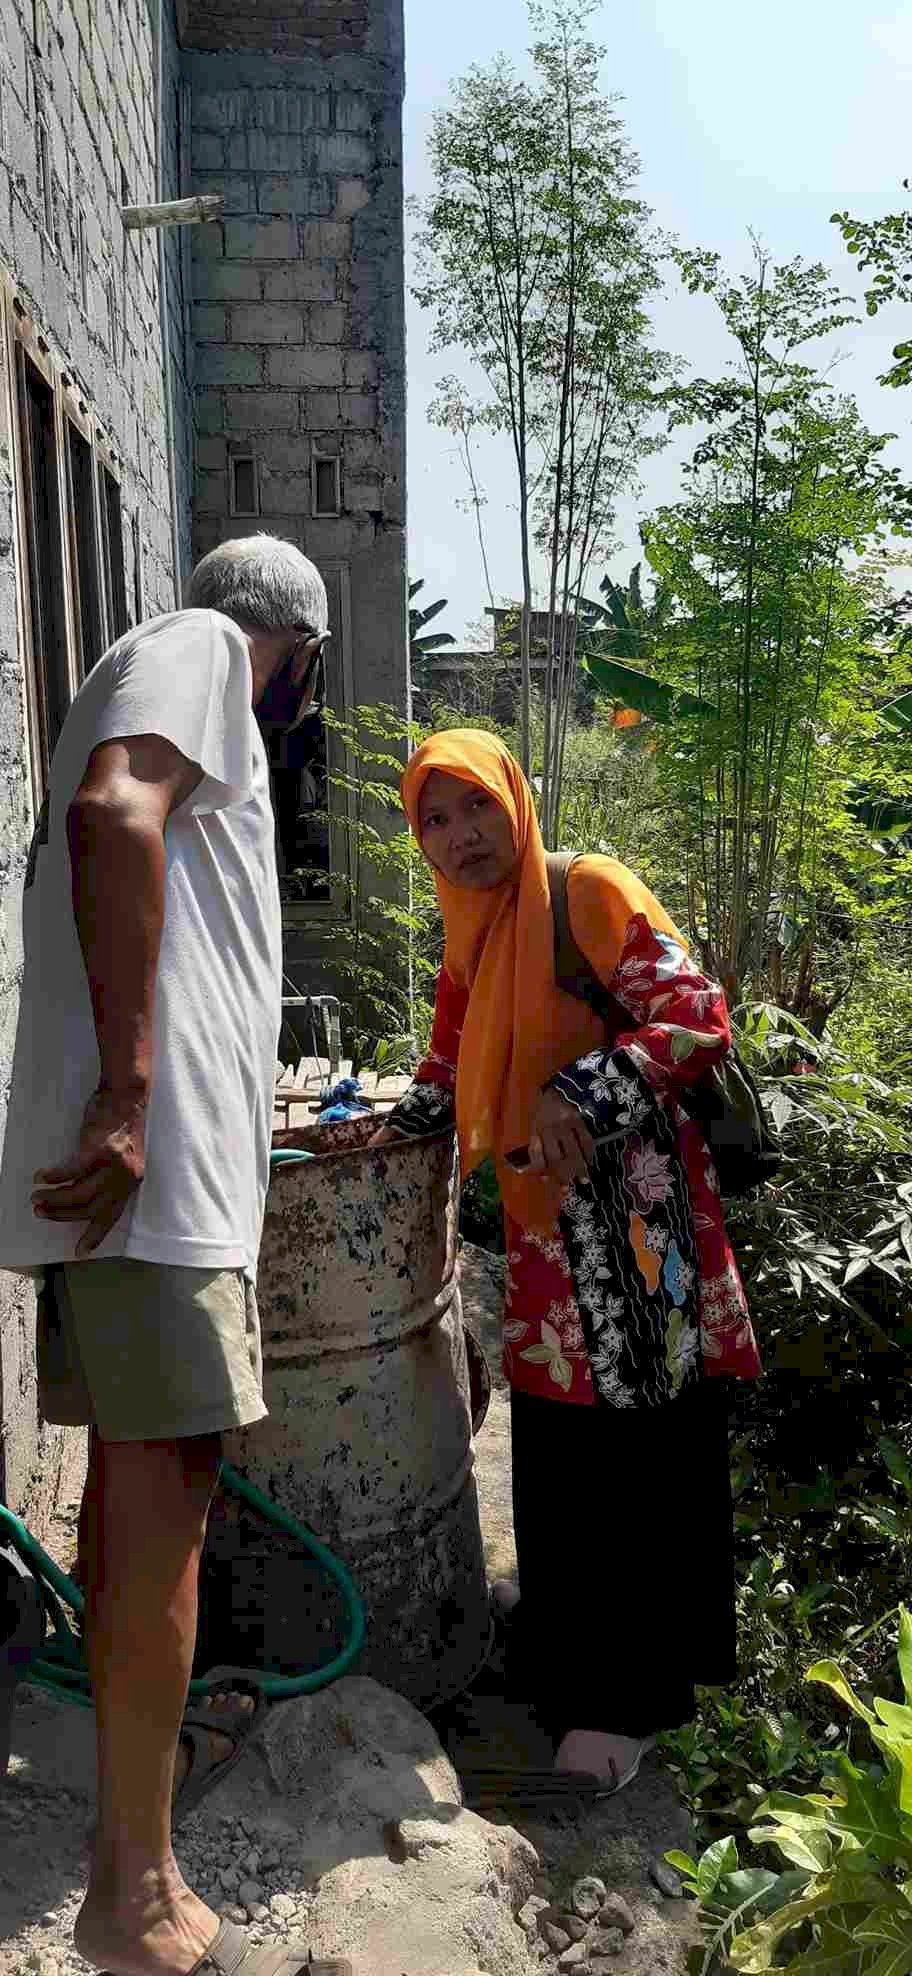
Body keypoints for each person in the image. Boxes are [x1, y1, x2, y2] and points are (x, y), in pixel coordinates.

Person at [0, 537, 352, 1976]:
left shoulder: (167, 677)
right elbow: (111, 814)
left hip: (151, 1197)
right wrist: (135, 1091)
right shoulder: (202, 652)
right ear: (301, 657)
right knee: (167, 1513)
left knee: (143, 1507)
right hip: (152, 1198)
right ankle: (131, 1900)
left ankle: (121, 1871)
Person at [380, 729, 761, 1803]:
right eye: (434, 821)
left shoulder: (587, 889)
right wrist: (379, 1132)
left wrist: (578, 1091)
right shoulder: (473, 929)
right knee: (558, 1446)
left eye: (475, 808)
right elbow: (450, 1057)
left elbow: (697, 1017)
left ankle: (631, 1698)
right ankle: (566, 1664)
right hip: (546, 1235)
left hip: (637, 1225)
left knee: (637, 1455)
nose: (461, 837)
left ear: (516, 799)